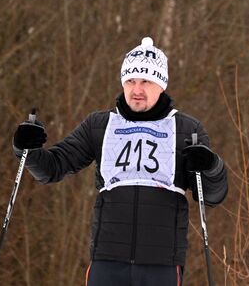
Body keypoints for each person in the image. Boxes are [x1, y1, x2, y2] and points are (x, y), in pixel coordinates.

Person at [12, 37, 227, 285]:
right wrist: (26, 148)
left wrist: (211, 166)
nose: (137, 90)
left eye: (146, 81)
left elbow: (212, 196)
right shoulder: (101, 125)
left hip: (160, 264)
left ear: (161, 85)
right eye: (130, 81)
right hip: (107, 261)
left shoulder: (187, 129)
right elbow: (52, 167)